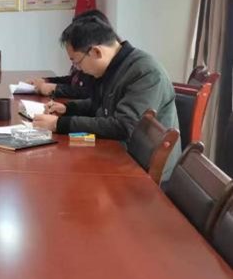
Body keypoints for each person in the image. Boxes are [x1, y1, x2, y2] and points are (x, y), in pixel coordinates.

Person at [32, 16, 180, 180]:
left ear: (96, 52)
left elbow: (123, 126)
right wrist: (68, 108)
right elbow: (100, 104)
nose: (78, 69)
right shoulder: (114, 67)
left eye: (77, 62)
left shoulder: (145, 72)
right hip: (118, 151)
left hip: (141, 169)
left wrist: (59, 124)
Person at [28, 9, 115, 98]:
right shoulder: (90, 60)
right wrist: (47, 81)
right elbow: (74, 81)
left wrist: (55, 88)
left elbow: (87, 93)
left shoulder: (104, 70)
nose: (78, 67)